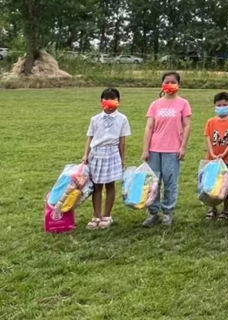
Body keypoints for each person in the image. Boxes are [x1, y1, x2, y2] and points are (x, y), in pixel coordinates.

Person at [142, 71, 192, 227]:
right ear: (162, 84)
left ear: (178, 84)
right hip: (154, 149)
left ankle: (167, 212)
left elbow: (187, 126)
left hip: (172, 150)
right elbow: (149, 127)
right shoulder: (155, 104)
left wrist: (183, 147)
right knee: (153, 183)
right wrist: (145, 149)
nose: (169, 85)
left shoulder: (183, 103)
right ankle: (153, 213)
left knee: (170, 182)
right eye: (166, 82)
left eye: (173, 82)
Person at [82, 88, 131, 230]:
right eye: (106, 99)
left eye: (113, 99)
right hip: (97, 153)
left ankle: (107, 215)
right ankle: (96, 215)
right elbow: (90, 138)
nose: (109, 102)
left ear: (119, 101)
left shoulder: (122, 119)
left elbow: (122, 141)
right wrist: (86, 155)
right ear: (101, 102)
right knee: (97, 186)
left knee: (110, 185)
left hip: (112, 153)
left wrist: (122, 159)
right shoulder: (95, 119)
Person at [203, 91, 228, 221]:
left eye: (224, 105)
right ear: (214, 106)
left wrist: (224, 154)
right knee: (212, 184)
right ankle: (212, 208)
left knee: (226, 184)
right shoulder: (210, 122)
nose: (221, 107)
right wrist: (212, 154)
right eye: (219, 105)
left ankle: (225, 209)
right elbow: (208, 138)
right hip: (212, 159)